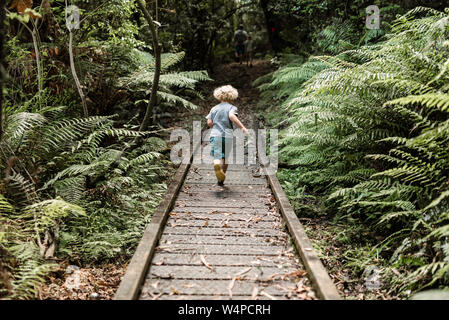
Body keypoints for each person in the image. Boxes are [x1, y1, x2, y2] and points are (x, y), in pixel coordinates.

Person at [206, 85, 249, 186]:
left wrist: (214, 127)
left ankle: (216, 163)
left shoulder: (214, 108)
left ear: (219, 96)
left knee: (217, 155)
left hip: (215, 135)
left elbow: (209, 122)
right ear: (232, 96)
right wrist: (242, 127)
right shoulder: (232, 108)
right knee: (225, 157)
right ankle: (221, 179)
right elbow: (231, 116)